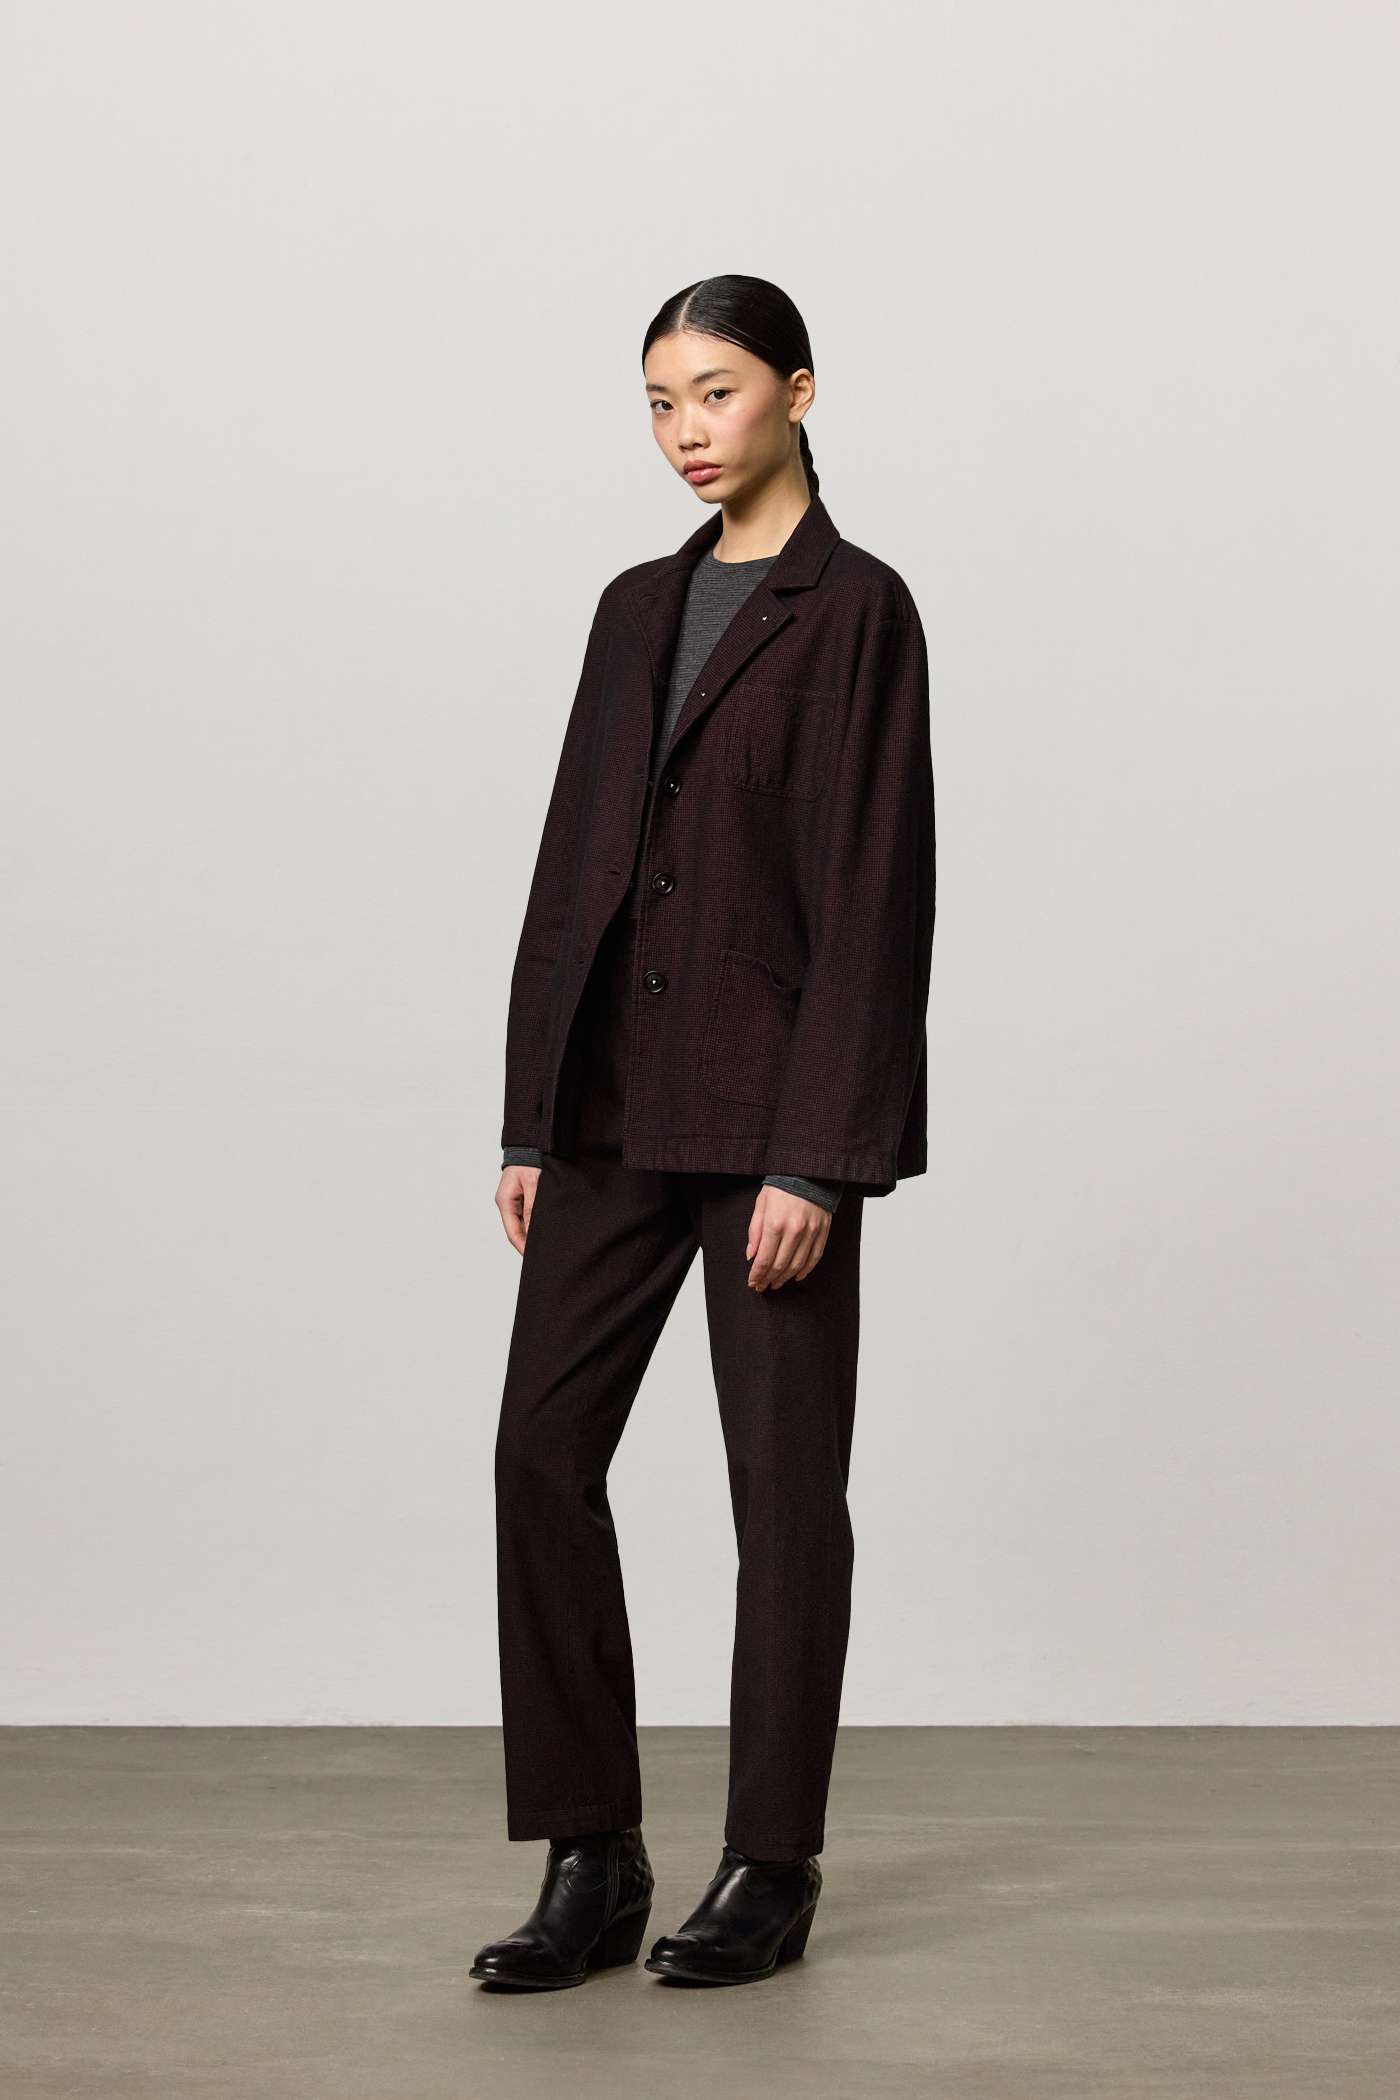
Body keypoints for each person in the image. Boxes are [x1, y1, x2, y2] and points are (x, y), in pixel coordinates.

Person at [471, 275, 935, 1990]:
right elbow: (571, 860)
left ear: (799, 391)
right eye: (661, 400)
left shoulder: (859, 611)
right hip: (608, 1104)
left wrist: (821, 1157)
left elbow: (879, 894)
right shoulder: (630, 608)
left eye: (717, 391)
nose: (686, 430)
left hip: (767, 1121)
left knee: (784, 1498)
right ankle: (591, 1855)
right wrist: (531, 1117)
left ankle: (771, 1864)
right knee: (538, 1455)